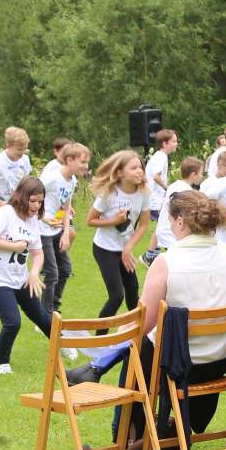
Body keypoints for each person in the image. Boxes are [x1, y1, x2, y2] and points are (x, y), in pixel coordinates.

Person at [126, 189, 226, 445]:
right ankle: (169, 431)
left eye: (169, 219)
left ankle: (132, 439)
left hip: (180, 366)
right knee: (140, 349)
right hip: (220, 360)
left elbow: (143, 323)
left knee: (134, 351)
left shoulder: (167, 262)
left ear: (180, 221)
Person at [0, 176, 49, 375]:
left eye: (40, 201)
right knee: (12, 321)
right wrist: (14, 246)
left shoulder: (33, 220)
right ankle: (1, 363)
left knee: (42, 316)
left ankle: (63, 344)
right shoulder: (5, 213)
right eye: (32, 200)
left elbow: (38, 253)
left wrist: (34, 273)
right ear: (21, 196)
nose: (36, 205)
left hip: (20, 277)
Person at [86, 150, 150, 319]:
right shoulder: (109, 194)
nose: (140, 171)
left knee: (133, 294)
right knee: (116, 297)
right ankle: (99, 340)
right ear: (120, 173)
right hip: (104, 249)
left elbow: (144, 224)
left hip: (124, 250)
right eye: (134, 168)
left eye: (140, 167)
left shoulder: (144, 192)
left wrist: (129, 247)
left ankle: (137, 338)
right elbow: (90, 221)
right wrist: (113, 221)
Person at [38, 142, 87, 316]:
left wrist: (66, 233)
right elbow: (27, 196)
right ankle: (45, 314)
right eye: (82, 162)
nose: (86, 166)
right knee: (52, 272)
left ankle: (54, 307)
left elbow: (65, 209)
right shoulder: (51, 178)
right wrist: (43, 217)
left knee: (65, 270)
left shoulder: (72, 181)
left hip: (56, 230)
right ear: (69, 160)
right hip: (41, 231)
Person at [0, 126, 32, 223]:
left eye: (25, 149)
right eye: (19, 149)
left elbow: (25, 184)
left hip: (15, 209)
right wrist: (3, 205)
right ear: (8, 146)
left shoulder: (25, 160)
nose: (22, 152)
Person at [143, 128, 178, 264]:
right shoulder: (161, 157)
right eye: (174, 141)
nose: (176, 144)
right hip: (155, 200)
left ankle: (150, 256)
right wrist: (167, 188)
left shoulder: (160, 156)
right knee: (166, 226)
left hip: (154, 199)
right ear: (164, 143)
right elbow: (156, 176)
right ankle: (153, 256)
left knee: (161, 227)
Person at [155, 156, 203, 253]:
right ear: (193, 174)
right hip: (172, 231)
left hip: (165, 230)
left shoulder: (174, 185)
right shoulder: (186, 191)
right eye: (201, 173)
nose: (202, 176)